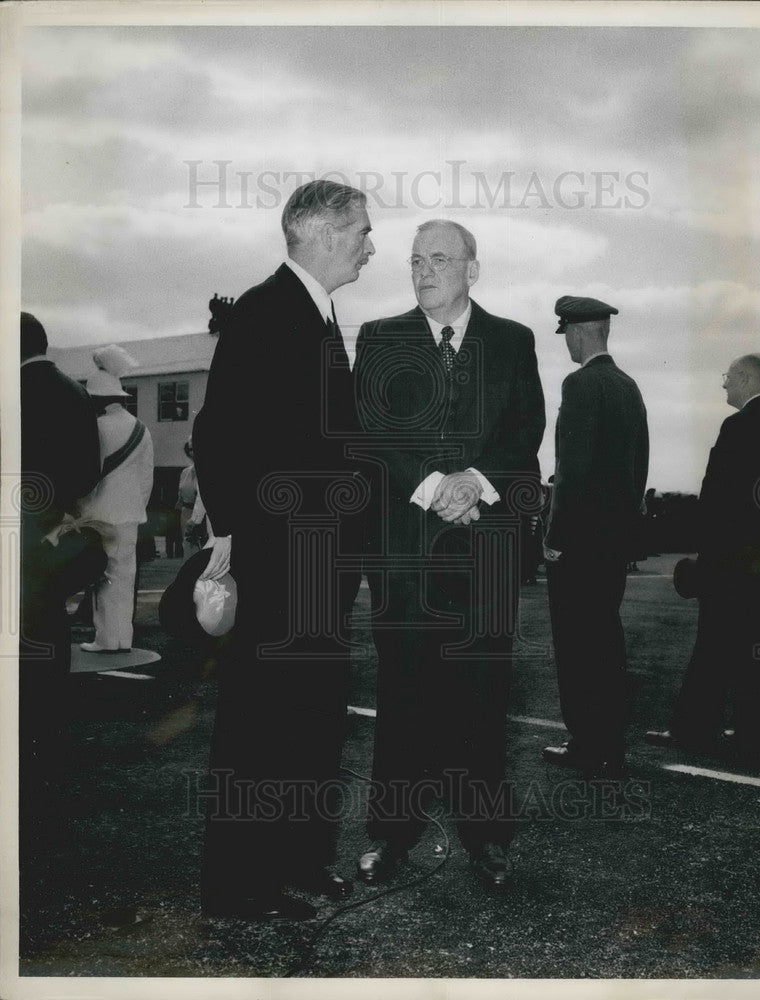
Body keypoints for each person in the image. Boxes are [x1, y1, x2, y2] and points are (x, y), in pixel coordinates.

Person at [192, 179, 374, 921]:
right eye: (361, 228)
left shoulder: (315, 314)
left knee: (310, 720)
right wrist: (243, 540)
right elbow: (216, 436)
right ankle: (239, 886)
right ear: (322, 231)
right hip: (283, 562)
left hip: (319, 564)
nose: (370, 242)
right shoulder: (267, 312)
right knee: (262, 725)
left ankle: (297, 859)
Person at [354, 220, 545, 888]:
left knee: (482, 694)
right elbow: (370, 432)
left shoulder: (513, 341)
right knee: (403, 694)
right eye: (414, 260)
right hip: (406, 551)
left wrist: (477, 484)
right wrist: (435, 486)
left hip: (484, 547)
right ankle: (391, 835)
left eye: (439, 259)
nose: (422, 270)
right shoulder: (380, 339)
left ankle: (486, 839)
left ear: (472, 269)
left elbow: (526, 431)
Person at [645, 355, 760, 757]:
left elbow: (720, 501)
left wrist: (707, 558)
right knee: (757, 649)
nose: (724, 386)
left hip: (731, 562)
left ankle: (691, 732)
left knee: (711, 650)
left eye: (727, 378)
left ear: (744, 378)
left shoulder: (738, 426)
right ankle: (751, 732)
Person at [541, 296, 649, 778]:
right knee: (605, 640)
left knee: (577, 645)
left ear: (581, 332)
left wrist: (554, 534)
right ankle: (610, 744)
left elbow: (573, 469)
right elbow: (638, 466)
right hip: (612, 543)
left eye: (566, 333)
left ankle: (587, 743)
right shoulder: (628, 386)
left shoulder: (581, 384)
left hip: (579, 543)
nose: (565, 343)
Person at [19, 312, 101, 797]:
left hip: (18, 529)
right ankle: (47, 734)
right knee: (50, 625)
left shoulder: (15, 392)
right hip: (56, 528)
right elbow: (88, 471)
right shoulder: (75, 392)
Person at [77, 345, 154, 653]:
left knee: (101, 578)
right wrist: (136, 506)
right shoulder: (142, 429)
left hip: (99, 513)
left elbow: (88, 475)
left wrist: (82, 511)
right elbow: (147, 478)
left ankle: (105, 639)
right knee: (125, 576)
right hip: (131, 514)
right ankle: (123, 639)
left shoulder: (95, 428)